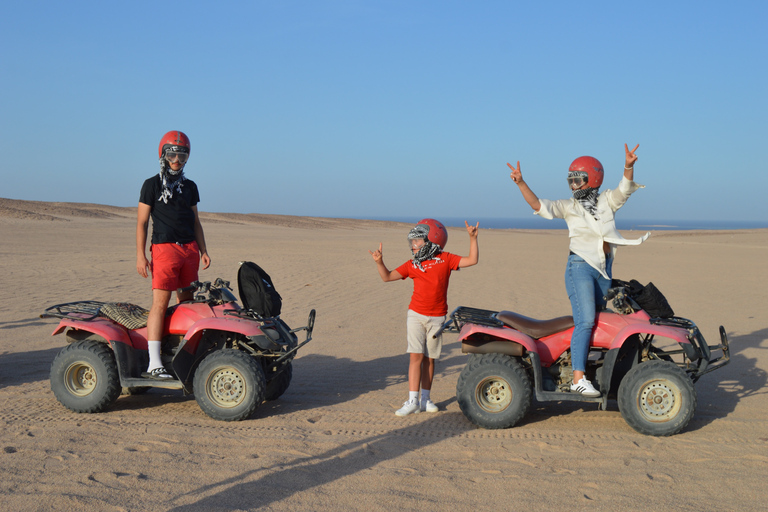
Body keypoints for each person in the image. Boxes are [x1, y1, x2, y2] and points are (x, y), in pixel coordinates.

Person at [507, 144, 649, 397]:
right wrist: (521, 183)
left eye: (578, 179)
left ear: (591, 179)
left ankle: (598, 372)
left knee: (600, 321)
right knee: (585, 321)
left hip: (603, 271)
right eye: (570, 180)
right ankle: (578, 378)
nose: (573, 185)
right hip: (579, 268)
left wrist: (628, 166)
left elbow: (625, 189)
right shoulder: (569, 206)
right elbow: (541, 206)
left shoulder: (607, 201)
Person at [369, 219, 479, 416]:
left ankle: (425, 400)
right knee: (416, 357)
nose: (413, 245)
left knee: (430, 359)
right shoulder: (413, 264)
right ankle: (412, 401)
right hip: (416, 317)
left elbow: (472, 260)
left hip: (436, 318)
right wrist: (379, 262)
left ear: (432, 240)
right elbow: (387, 277)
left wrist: (472, 238)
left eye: (418, 241)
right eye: (412, 241)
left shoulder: (446, 259)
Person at [136, 130, 211, 380]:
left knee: (187, 304)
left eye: (181, 153)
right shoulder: (151, 185)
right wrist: (140, 255)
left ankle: (182, 358)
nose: (176, 159)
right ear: (163, 154)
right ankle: (154, 362)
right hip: (164, 248)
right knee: (160, 304)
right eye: (172, 153)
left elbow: (196, 221)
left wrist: (203, 250)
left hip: (188, 249)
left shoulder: (190, 187)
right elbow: (142, 223)